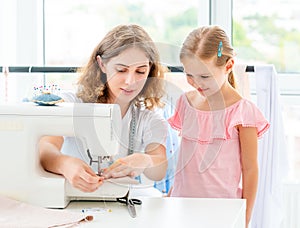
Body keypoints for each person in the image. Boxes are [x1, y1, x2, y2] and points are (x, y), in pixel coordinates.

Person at [39, 24, 168, 193]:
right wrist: (64, 164)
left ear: (150, 69)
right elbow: (45, 148)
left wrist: (146, 161)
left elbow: (160, 169)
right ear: (102, 64)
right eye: (121, 70)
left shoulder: (149, 117)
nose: (130, 81)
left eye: (140, 71)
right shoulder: (72, 103)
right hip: (72, 198)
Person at [167, 25, 270, 226]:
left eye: (205, 76)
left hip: (222, 212)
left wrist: (245, 218)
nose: (196, 83)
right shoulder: (185, 103)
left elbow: (250, 170)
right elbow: (186, 161)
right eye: (189, 75)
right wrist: (170, 198)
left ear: (229, 65)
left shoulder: (242, 112)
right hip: (181, 206)